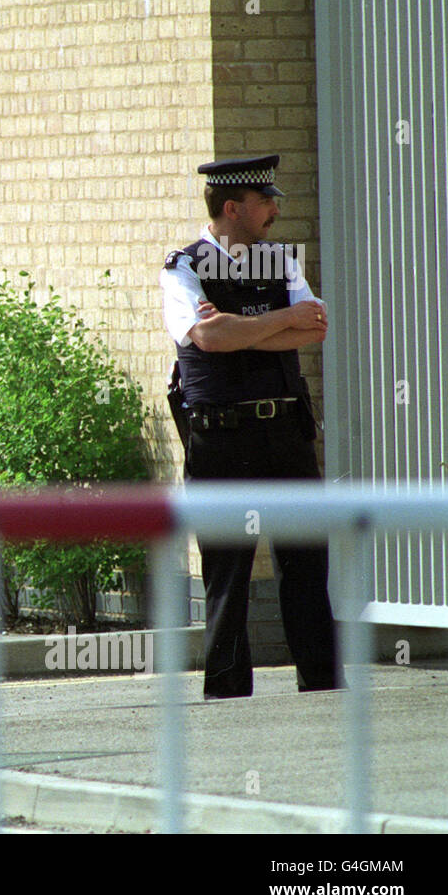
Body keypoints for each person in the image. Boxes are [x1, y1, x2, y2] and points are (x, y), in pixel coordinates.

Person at [159, 154, 341, 698]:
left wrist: (250, 326)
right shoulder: (183, 267)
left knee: (307, 563)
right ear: (233, 208)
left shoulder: (281, 261)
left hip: (286, 432)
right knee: (227, 574)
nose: (275, 211)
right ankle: (227, 695)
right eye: (266, 202)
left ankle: (325, 687)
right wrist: (278, 322)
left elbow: (313, 328)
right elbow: (207, 338)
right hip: (221, 438)